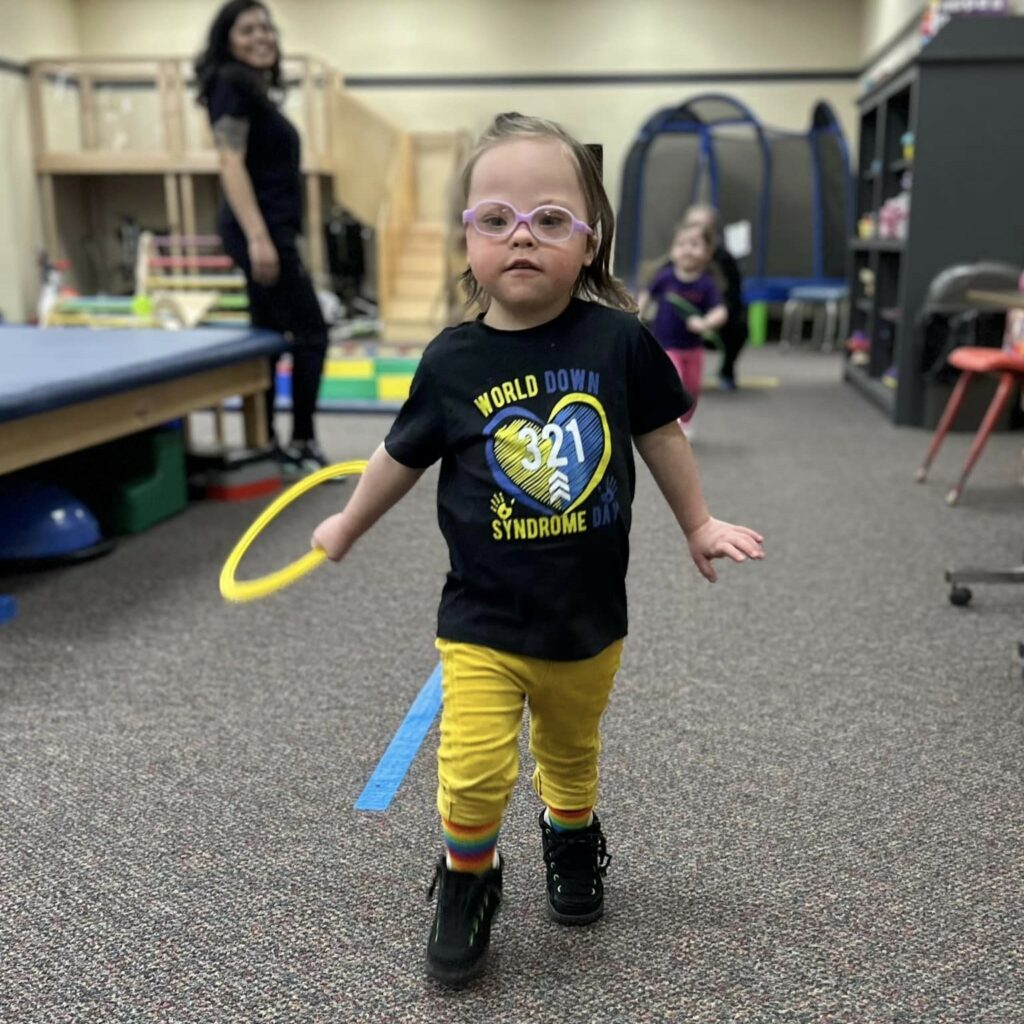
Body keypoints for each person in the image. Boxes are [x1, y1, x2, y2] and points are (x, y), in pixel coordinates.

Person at [311, 113, 764, 985]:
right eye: (497, 218)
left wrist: (699, 522)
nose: (522, 236)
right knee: (474, 768)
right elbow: (399, 456)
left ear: (590, 242)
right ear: (468, 239)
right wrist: (348, 522)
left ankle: (570, 834)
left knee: (569, 748)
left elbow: (661, 433)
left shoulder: (618, 340)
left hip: (587, 616)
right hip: (481, 616)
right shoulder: (451, 361)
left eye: (550, 219)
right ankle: (468, 878)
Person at [195, 0, 330, 474]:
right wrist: (258, 238)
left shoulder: (253, 91)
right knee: (312, 332)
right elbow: (229, 163)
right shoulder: (230, 83)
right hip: (258, 230)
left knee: (270, 334)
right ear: (228, 40)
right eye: (247, 29)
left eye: (266, 28)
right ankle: (302, 440)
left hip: (269, 228)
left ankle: (269, 440)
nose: (261, 37)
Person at [638, 221, 728, 439]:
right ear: (672, 249)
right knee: (675, 380)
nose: (687, 249)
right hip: (666, 345)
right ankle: (672, 422)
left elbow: (720, 312)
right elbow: (646, 296)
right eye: (680, 244)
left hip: (693, 348)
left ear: (708, 252)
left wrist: (705, 322)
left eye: (694, 244)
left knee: (692, 388)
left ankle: (685, 422)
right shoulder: (665, 277)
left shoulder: (706, 284)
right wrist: (637, 316)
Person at [683, 204, 748, 390]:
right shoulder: (677, 255)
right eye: (692, 225)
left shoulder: (725, 260)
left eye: (703, 226)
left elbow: (733, 297)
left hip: (716, 317)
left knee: (739, 326)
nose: (697, 231)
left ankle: (726, 371)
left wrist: (713, 317)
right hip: (682, 316)